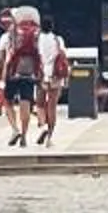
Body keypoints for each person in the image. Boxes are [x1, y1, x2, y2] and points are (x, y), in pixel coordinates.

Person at [0, 3, 45, 147]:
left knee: (7, 101)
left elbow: (0, 59)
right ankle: (24, 136)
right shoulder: (36, 35)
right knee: (26, 103)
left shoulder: (7, 36)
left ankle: (15, 129)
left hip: (12, 72)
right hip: (30, 72)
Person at [33, 16, 70, 145]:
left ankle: (42, 126)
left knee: (39, 104)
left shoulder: (37, 40)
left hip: (42, 74)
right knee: (52, 106)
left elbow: (35, 56)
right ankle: (49, 137)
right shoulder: (58, 40)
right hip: (56, 75)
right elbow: (64, 56)